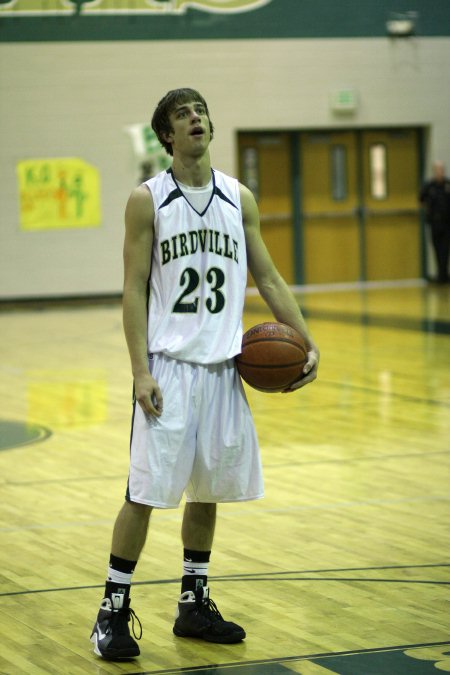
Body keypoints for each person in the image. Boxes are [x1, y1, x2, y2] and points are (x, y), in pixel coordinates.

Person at [90, 87, 320, 660]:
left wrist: (307, 342)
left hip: (223, 370)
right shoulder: (147, 200)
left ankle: (193, 603)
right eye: (182, 115)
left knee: (208, 489)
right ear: (166, 135)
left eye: (201, 112)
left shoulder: (238, 198)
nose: (196, 120)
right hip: (168, 369)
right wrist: (139, 369)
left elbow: (266, 278)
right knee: (144, 493)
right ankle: (110, 612)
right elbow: (133, 289)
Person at [419, 160, 450, 283]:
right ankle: (440, 275)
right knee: (437, 249)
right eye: (438, 170)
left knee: (445, 249)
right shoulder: (430, 186)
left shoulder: (448, 185)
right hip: (435, 223)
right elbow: (421, 199)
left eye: (441, 170)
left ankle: (443, 275)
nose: (440, 172)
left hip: (447, 223)